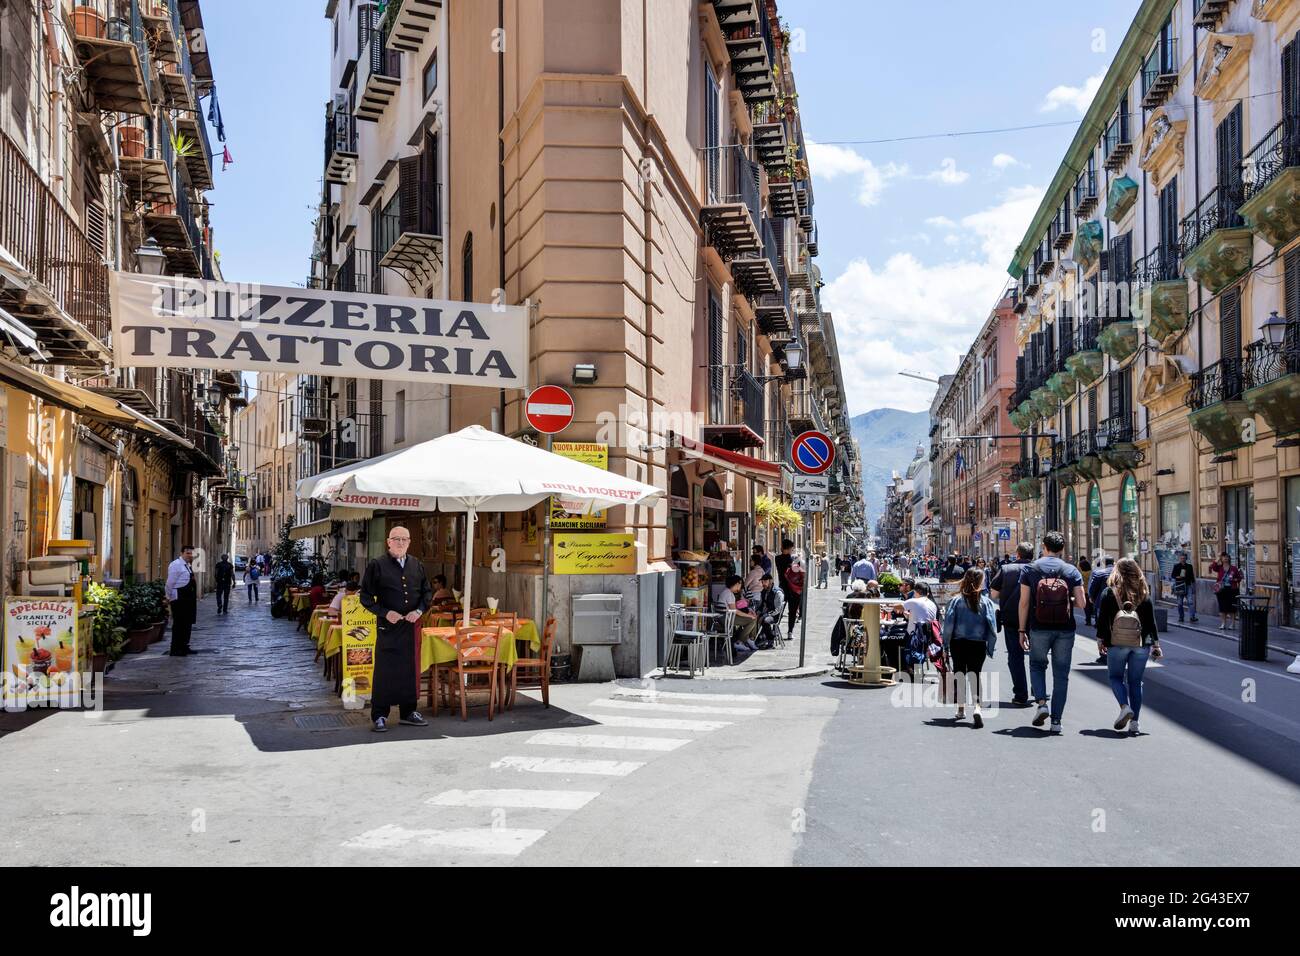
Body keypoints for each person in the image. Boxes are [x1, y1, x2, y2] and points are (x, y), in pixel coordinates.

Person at [360, 526, 433, 732]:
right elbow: (365, 597)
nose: (400, 542)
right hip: (387, 628)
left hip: (409, 627)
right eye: (396, 539)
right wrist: (384, 612)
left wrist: (418, 611)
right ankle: (380, 715)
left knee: (408, 670)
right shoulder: (377, 565)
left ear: (409, 542)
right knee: (385, 671)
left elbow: (427, 594)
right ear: (388, 542)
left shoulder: (416, 564)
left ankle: (408, 712)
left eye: (404, 539)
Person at [1018, 531, 1087, 733]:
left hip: (1038, 627)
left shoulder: (1031, 569)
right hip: (1065, 629)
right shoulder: (1071, 571)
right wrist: (1066, 601)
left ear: (1044, 547)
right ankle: (1056, 721)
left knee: (1037, 665)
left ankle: (1041, 704)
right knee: (1061, 675)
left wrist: (1022, 630)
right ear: (1062, 549)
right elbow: (1082, 603)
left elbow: (1024, 603)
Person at [1095, 557, 1163, 735]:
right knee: (1135, 682)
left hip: (1116, 643)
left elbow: (1102, 620)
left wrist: (1100, 639)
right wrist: (1156, 644)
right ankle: (1135, 723)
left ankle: (1124, 707)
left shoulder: (1109, 593)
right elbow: (1151, 623)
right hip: (1140, 644)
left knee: (1116, 677)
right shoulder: (1143, 593)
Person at [942, 568, 998, 727]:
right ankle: (977, 707)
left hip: (958, 643)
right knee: (975, 674)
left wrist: (945, 644)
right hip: (978, 643)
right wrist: (990, 646)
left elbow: (948, 626)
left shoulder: (956, 600)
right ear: (981, 582)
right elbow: (992, 626)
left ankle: (961, 708)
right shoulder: (986, 601)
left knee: (959, 673)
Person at [989, 542, 1035, 706]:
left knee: (1015, 657)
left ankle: (1021, 694)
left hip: (1011, 618)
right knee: (1037, 657)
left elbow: (993, 594)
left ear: (1018, 554)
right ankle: (1038, 688)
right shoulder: (1039, 569)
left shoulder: (1007, 569)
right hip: (1036, 618)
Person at [165, 545, 198, 656]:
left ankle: (184, 646)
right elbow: (170, 583)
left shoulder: (187, 565)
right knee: (179, 624)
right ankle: (175, 649)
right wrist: (168, 596)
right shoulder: (175, 565)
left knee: (187, 624)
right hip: (179, 598)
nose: (190, 555)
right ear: (182, 553)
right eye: (187, 553)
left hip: (188, 599)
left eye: (191, 553)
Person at [717, 574, 759, 655]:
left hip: (723, 617)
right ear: (737, 584)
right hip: (727, 618)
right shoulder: (729, 594)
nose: (740, 588)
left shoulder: (725, 591)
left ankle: (747, 639)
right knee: (752, 620)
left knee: (751, 618)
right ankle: (741, 641)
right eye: (740, 585)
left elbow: (734, 609)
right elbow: (734, 611)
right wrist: (749, 615)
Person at [1087, 557, 1115, 661]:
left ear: (1103, 563)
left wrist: (1092, 600)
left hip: (1102, 605)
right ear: (1113, 562)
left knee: (1102, 628)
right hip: (1119, 605)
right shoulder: (1120, 572)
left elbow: (1092, 590)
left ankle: (1104, 654)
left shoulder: (1099, 573)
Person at [1209, 551, 1243, 631]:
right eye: (1224, 557)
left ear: (1229, 558)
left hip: (1232, 590)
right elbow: (1212, 567)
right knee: (1222, 607)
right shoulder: (1219, 567)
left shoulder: (1233, 568)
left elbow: (1239, 578)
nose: (1225, 558)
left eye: (1227, 557)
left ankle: (1232, 624)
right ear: (1222, 558)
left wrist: (1234, 579)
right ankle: (1223, 623)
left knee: (1232, 608)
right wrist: (1217, 558)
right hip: (1221, 590)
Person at [754, 573, 786, 648]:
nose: (763, 584)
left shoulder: (777, 593)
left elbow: (778, 609)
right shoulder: (764, 591)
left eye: (765, 581)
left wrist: (766, 615)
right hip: (766, 613)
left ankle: (770, 640)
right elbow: (762, 605)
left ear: (771, 581)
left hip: (775, 615)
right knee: (753, 618)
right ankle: (758, 638)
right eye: (762, 582)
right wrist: (757, 612)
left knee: (765, 620)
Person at [1171, 551, 1198, 624]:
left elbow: (1192, 577)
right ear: (1179, 559)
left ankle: (1192, 617)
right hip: (1180, 586)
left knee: (1190, 602)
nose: (1183, 559)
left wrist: (1193, 586)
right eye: (1181, 558)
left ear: (1186, 559)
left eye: (1184, 558)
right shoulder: (1176, 566)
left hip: (1188, 585)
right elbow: (1173, 575)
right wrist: (1178, 577)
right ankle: (1181, 617)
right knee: (1180, 603)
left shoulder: (1189, 566)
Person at [785, 556, 806, 641]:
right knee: (793, 613)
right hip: (796, 593)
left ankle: (790, 631)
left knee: (791, 613)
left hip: (790, 593)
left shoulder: (789, 570)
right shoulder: (800, 571)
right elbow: (803, 582)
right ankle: (790, 632)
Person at [1079, 557, 1094, 625]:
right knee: (1092, 606)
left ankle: (1088, 620)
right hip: (1092, 591)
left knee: (1086, 606)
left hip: (1085, 592)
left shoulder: (1082, 574)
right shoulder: (1092, 572)